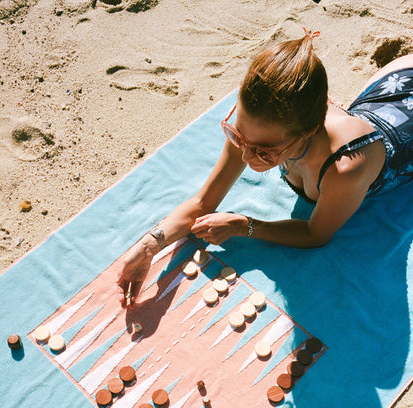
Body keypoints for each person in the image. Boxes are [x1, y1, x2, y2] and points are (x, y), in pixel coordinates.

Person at [117, 29, 413, 305]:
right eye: (239, 137)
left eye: (264, 153)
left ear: (306, 133)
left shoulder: (344, 169)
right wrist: (150, 244)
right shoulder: (256, 131)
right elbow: (203, 202)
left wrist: (243, 225)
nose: (244, 156)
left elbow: (316, 234)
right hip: (395, 81)